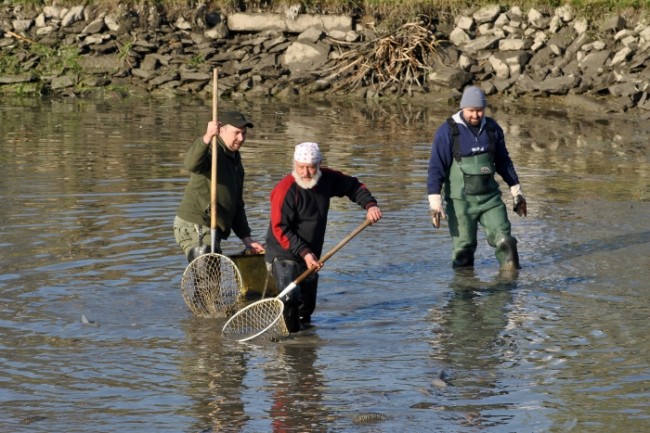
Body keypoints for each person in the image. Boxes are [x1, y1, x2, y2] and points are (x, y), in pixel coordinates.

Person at [265, 142, 383, 333]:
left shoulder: (327, 178)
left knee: (307, 308)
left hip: (311, 252)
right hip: (283, 252)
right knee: (290, 299)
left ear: (319, 164)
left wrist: (370, 205)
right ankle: (289, 348)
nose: (305, 173)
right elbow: (280, 229)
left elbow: (354, 186)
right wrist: (305, 253)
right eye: (300, 167)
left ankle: (307, 350)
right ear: (294, 164)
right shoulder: (284, 190)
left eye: (311, 167)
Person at [427, 86, 527, 271]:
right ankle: (464, 295)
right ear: (462, 108)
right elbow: (436, 168)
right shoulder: (447, 131)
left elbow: (504, 162)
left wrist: (516, 191)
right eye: (471, 111)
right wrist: (435, 203)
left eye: (479, 110)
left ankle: (508, 291)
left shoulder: (492, 129)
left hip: (491, 200)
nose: (476, 115)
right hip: (460, 203)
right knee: (463, 254)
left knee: (507, 243)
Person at [174, 110, 264, 262]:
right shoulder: (211, 149)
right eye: (236, 133)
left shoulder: (235, 159)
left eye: (244, 133)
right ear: (221, 130)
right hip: (196, 222)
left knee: (212, 277)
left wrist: (246, 238)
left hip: (213, 227)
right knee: (207, 264)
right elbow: (191, 164)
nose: (241, 138)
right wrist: (208, 136)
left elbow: (236, 203)